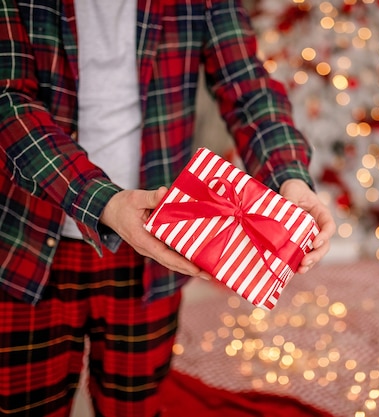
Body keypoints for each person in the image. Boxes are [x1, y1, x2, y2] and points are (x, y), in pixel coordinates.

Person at [0, 0, 335, 415]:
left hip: (156, 247)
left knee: (135, 406)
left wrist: (291, 178)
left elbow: (249, 90)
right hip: (26, 243)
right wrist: (105, 202)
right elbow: (8, 102)